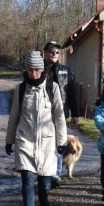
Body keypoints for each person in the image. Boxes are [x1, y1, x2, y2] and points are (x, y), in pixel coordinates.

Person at [5, 50, 67, 206]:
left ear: (42, 70)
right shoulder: (21, 89)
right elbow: (14, 116)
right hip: (25, 139)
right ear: (27, 70)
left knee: (44, 182)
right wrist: (9, 141)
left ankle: (44, 196)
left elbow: (59, 117)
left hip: (47, 141)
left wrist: (61, 141)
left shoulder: (52, 87)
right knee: (26, 179)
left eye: (37, 70)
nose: (34, 73)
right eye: (31, 70)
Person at [43, 41, 79, 189]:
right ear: (44, 52)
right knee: (45, 144)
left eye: (57, 52)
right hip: (43, 114)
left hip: (61, 113)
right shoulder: (38, 69)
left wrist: (75, 113)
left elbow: (71, 94)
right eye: (51, 51)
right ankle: (44, 172)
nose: (54, 54)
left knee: (59, 144)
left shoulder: (66, 70)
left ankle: (56, 174)